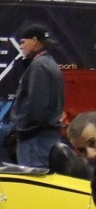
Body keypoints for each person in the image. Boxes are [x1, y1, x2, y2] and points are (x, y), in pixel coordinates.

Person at [9, 23, 64, 169]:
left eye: (22, 42)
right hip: (45, 138)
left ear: (34, 41)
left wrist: (21, 131)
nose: (21, 46)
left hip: (35, 141)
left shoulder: (39, 66)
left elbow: (37, 107)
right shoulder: (50, 63)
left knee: (33, 184)